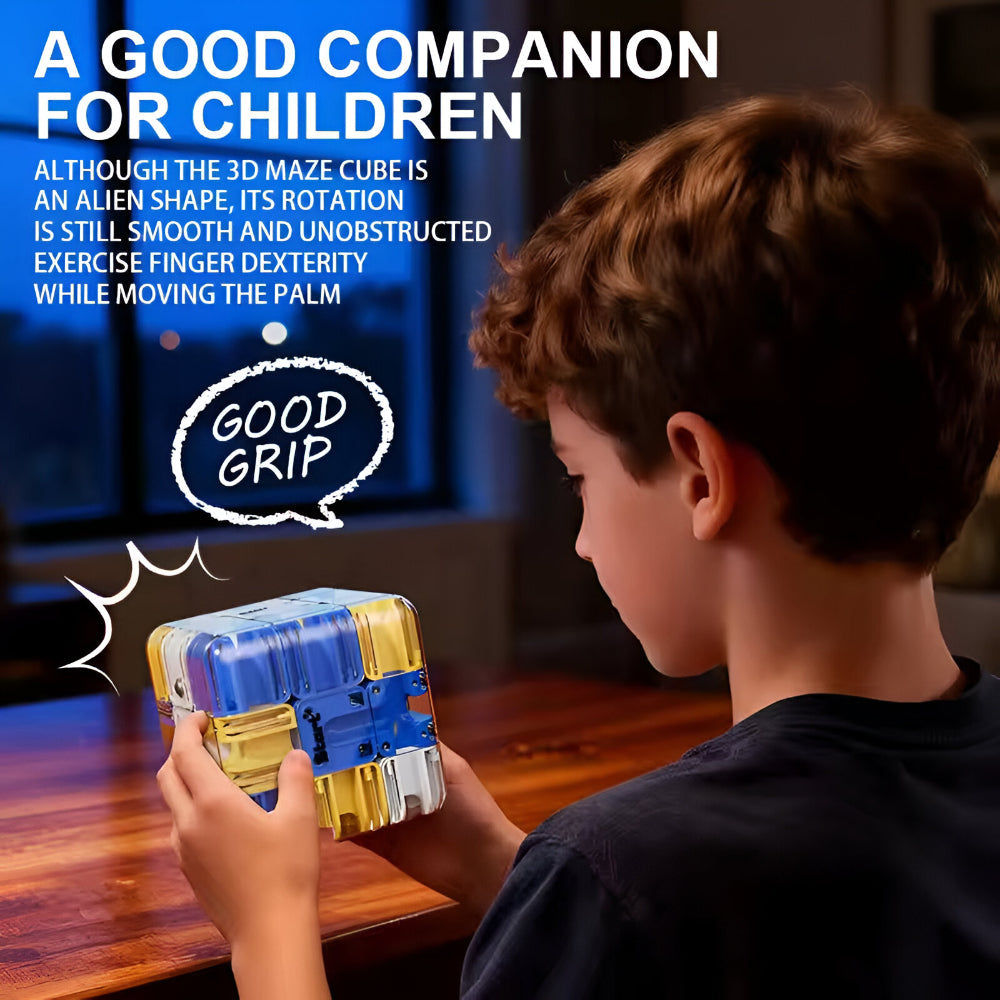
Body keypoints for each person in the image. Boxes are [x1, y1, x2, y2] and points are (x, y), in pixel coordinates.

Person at [157, 91, 1000, 999]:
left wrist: (268, 928)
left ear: (701, 477)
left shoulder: (623, 875)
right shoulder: (630, 884)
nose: (585, 544)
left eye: (579, 479)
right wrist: (507, 871)